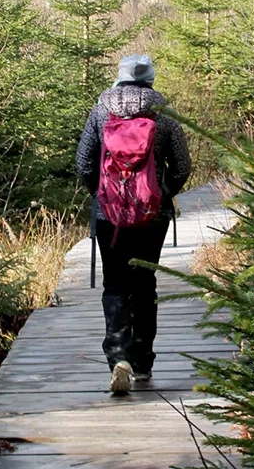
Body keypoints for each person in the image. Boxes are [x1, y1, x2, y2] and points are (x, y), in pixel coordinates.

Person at [76, 53, 192, 394]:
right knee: (144, 284)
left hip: (109, 218)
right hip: (152, 217)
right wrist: (162, 192)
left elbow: (84, 162)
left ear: (120, 77)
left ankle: (119, 358)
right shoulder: (164, 115)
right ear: (151, 80)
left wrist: (102, 195)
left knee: (115, 285)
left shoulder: (101, 111)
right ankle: (142, 364)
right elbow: (183, 166)